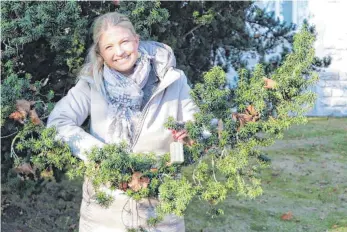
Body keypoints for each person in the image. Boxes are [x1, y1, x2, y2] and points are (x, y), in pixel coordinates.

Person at [47, 12, 198, 232]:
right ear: (100, 52)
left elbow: (201, 125)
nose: (119, 52)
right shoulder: (91, 83)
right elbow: (59, 122)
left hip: (160, 209)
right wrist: (101, 155)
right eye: (109, 47)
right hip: (104, 212)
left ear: (136, 40)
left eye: (124, 42)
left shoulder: (171, 79)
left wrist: (191, 133)